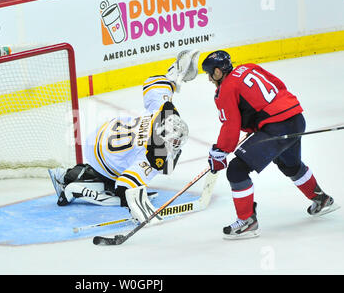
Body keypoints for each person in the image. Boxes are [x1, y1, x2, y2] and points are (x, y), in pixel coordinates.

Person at [48, 49, 199, 224]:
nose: (175, 144)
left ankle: (82, 175)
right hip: (102, 159)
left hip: (102, 133)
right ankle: (77, 184)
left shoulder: (161, 113)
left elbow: (153, 84)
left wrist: (175, 75)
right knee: (118, 191)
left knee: (155, 162)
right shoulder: (152, 156)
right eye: (173, 141)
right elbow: (125, 185)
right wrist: (138, 208)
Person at [201, 50, 339, 240]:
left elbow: (230, 124)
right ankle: (322, 200)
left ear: (217, 72)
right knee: (289, 164)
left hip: (276, 128)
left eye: (210, 74)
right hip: (295, 117)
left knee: (236, 170)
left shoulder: (225, 90)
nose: (209, 79)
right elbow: (279, 86)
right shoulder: (248, 67)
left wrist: (219, 153)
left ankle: (247, 222)